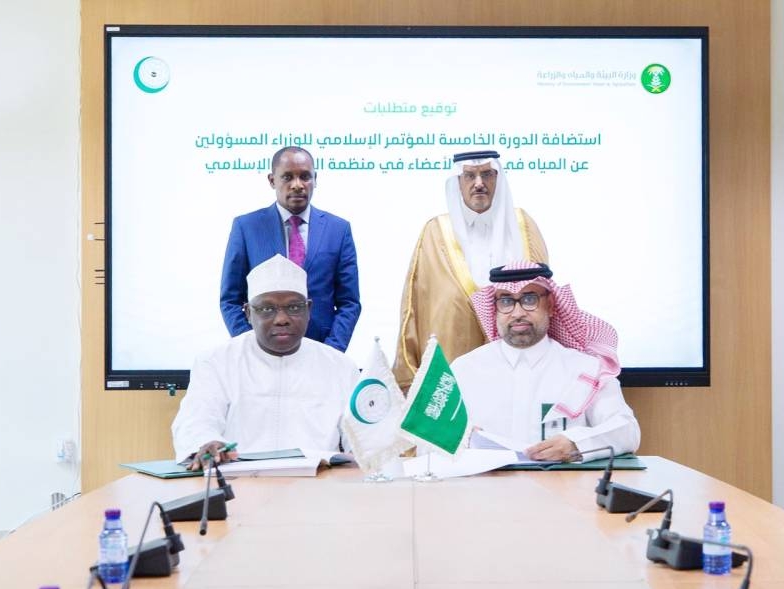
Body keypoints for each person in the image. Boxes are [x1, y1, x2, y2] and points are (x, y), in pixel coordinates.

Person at [175, 255, 359, 466]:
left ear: (309, 309)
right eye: (266, 309)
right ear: (248, 313)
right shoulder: (216, 362)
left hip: (320, 481)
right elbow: (195, 421)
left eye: (294, 307)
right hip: (240, 480)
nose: (282, 319)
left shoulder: (340, 367)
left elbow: (364, 438)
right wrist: (207, 442)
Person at [451, 260, 640, 461]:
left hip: (561, 482)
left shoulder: (587, 368)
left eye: (529, 299)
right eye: (506, 301)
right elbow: (432, 441)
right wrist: (459, 440)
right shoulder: (464, 369)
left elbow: (627, 430)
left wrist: (576, 444)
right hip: (488, 481)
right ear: (494, 308)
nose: (518, 313)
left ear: (550, 305)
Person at [393, 150, 548, 389]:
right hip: (451, 374)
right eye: (469, 176)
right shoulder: (435, 231)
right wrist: (409, 382)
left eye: (487, 174)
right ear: (458, 182)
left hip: (519, 370)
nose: (479, 183)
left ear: (498, 178)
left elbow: (544, 298)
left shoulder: (522, 227)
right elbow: (412, 310)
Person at [220, 146, 361, 352]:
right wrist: (253, 348)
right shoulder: (246, 227)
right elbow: (230, 300)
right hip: (262, 353)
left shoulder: (338, 229)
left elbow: (349, 302)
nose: (297, 185)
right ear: (272, 180)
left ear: (315, 179)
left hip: (320, 351)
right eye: (287, 177)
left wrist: (332, 351)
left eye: (305, 176)